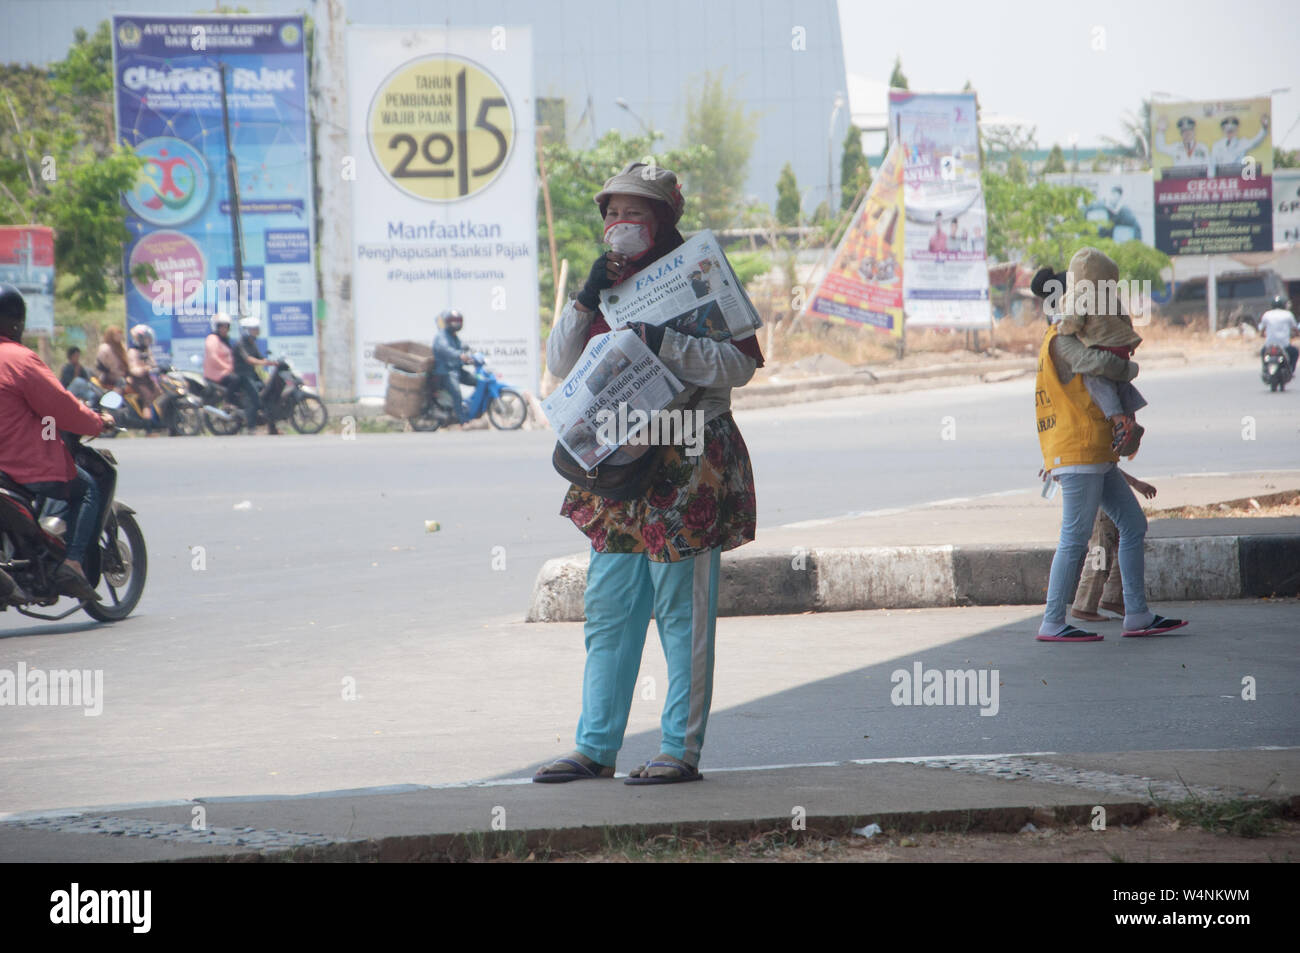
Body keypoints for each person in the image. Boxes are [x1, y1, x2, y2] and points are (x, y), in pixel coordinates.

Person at [533, 161, 763, 785]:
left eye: (632, 212)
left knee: (681, 609)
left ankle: (678, 751)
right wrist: (584, 298)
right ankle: (594, 746)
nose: (618, 223)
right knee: (610, 606)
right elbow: (558, 364)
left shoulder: (701, 271)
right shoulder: (604, 285)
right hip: (617, 462)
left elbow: (740, 366)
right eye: (610, 212)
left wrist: (667, 343)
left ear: (661, 220)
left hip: (688, 453)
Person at [1031, 251, 1188, 642]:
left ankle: (1136, 614)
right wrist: (1128, 366)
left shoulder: (1071, 339)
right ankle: (1053, 621)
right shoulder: (1060, 342)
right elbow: (1105, 370)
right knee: (1075, 538)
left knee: (1133, 524)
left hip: (1096, 453)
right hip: (1079, 452)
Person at [0, 284, 113, 601]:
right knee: (88, 486)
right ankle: (73, 564)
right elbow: (61, 407)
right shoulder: (20, 360)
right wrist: (97, 422)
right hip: (20, 464)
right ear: (16, 323)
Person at [1056, 248, 1147, 456]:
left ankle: (1120, 423)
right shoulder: (1110, 297)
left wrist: (1061, 330)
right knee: (1120, 383)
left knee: (1095, 380)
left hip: (1102, 346)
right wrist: (1129, 347)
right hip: (1122, 348)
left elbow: (1072, 321)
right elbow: (1126, 322)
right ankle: (1131, 420)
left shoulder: (1079, 295)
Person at [1071, 471, 1157, 623]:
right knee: (1101, 551)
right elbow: (1105, 465)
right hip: (1100, 496)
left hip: (1105, 493)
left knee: (1122, 547)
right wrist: (1136, 483)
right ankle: (1084, 605)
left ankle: (1113, 597)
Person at [232, 316, 279, 434]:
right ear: (247, 330)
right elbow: (249, 360)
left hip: (252, 375)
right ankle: (251, 428)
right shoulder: (240, 344)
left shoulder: (252, 343)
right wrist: (264, 362)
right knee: (255, 399)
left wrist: (273, 362)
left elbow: (260, 357)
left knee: (268, 396)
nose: (257, 331)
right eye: (254, 329)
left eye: (257, 328)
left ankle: (272, 429)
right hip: (243, 376)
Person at [429, 309, 475, 420]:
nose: (457, 324)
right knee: (457, 392)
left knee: (476, 381)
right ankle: (461, 419)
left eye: (458, 321)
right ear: (447, 322)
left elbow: (461, 349)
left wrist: (468, 359)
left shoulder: (454, 336)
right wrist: (460, 355)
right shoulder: (441, 336)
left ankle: (471, 408)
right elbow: (445, 350)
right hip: (445, 372)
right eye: (454, 321)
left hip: (456, 370)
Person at [1209, 113, 1268, 178]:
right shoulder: (1217, 146)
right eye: (1227, 130)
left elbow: (1255, 142)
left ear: (1236, 130)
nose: (1229, 133)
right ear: (1223, 130)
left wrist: (1264, 128)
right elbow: (1212, 165)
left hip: (1239, 178)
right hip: (1222, 179)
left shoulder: (1242, 143)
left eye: (1232, 130)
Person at [203, 312, 241, 411]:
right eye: (222, 327)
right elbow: (213, 357)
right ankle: (228, 403)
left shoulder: (225, 340)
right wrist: (227, 367)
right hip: (216, 373)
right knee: (235, 379)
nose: (225, 329)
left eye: (226, 327)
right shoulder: (212, 339)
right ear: (216, 327)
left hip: (224, 372)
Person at [126, 324, 163, 426]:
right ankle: (148, 425)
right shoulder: (133, 352)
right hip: (138, 382)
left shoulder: (146, 351)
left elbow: (153, 363)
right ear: (140, 338)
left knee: (159, 391)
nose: (148, 340)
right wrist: (145, 369)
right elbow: (134, 370)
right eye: (146, 338)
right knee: (147, 400)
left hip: (148, 380)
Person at [1257, 295, 1298, 373]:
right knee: (1295, 352)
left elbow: (1262, 330)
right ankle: (1291, 370)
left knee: (1263, 352)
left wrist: (1262, 335)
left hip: (1269, 345)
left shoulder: (1267, 314)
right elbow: (1295, 329)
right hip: (1284, 345)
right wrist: (1297, 334)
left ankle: (1265, 369)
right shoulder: (1288, 314)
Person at [95, 325, 129, 391]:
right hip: (109, 377)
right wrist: (116, 372)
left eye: (120, 334)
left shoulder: (122, 348)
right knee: (121, 382)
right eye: (117, 335)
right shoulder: (105, 348)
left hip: (122, 375)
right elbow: (105, 365)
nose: (119, 336)